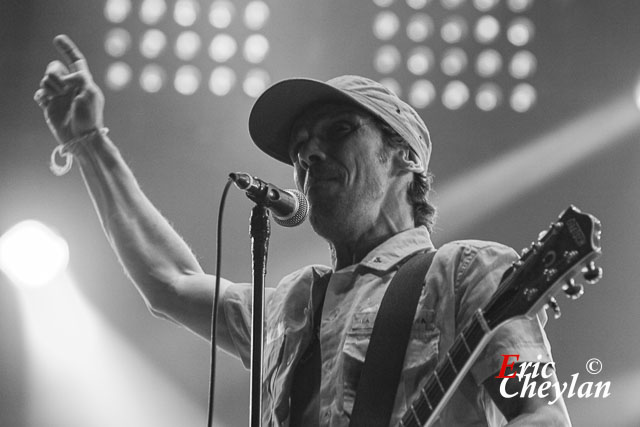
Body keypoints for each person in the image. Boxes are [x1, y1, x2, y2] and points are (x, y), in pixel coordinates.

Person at [34, 35, 571, 426]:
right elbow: (169, 281)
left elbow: (540, 416)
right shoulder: (289, 307)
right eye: (299, 148)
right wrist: (90, 144)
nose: (310, 154)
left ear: (404, 157)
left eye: (339, 131)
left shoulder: (467, 273)